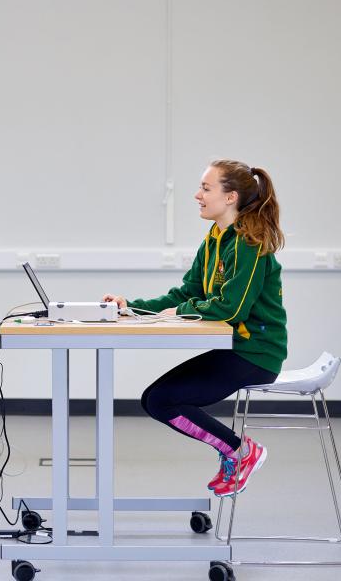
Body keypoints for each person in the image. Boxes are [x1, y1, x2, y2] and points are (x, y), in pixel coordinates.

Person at [103, 159, 287, 497]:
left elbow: (232, 308)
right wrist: (132, 308)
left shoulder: (249, 244)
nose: (197, 195)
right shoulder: (215, 238)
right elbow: (188, 293)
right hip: (234, 349)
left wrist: (180, 311)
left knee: (161, 401)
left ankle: (240, 451)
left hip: (256, 354)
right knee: (155, 400)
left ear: (230, 197)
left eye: (206, 188)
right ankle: (237, 450)